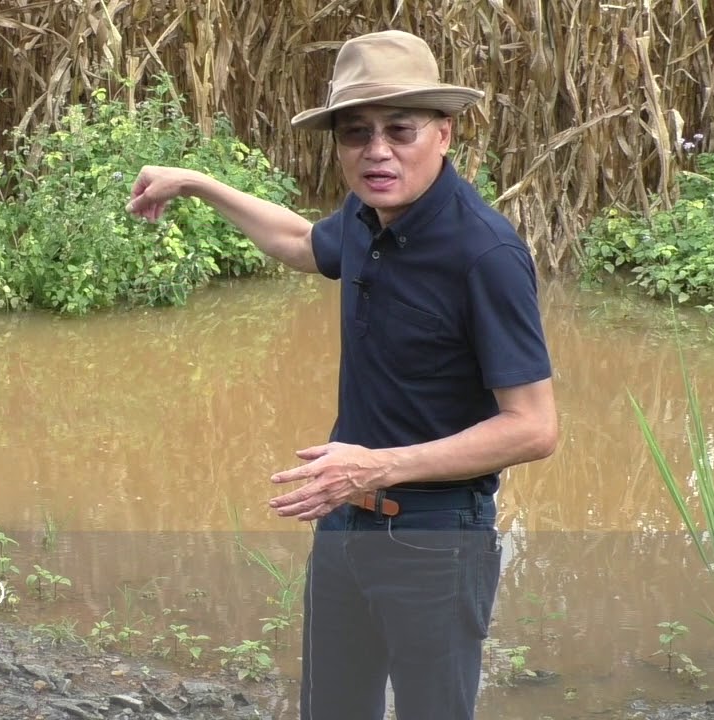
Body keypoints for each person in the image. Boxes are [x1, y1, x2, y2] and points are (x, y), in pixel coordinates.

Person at [127, 30, 557, 720]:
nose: (377, 150)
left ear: (442, 134)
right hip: (345, 517)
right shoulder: (366, 214)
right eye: (357, 132)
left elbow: (534, 428)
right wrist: (199, 184)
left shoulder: (486, 254)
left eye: (400, 130)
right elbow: (301, 242)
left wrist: (379, 466)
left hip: (437, 535)